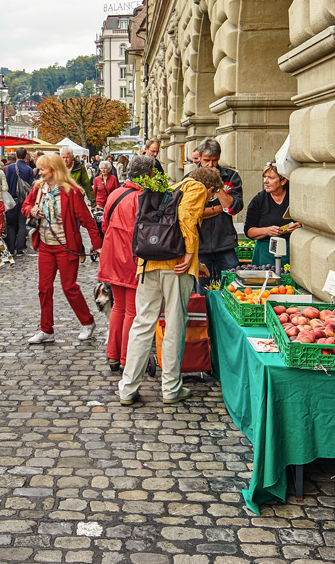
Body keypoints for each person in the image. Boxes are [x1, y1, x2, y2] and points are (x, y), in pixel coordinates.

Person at [117, 166, 223, 406]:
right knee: (175, 323)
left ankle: (128, 388)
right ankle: (171, 388)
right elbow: (186, 217)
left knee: (143, 324)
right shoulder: (195, 187)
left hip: (149, 262)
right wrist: (188, 255)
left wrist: (198, 263)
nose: (209, 200)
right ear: (211, 189)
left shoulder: (171, 187)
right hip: (175, 266)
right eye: (212, 197)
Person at [22, 153, 102, 344]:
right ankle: (46, 329)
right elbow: (25, 206)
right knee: (44, 288)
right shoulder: (38, 189)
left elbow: (88, 221)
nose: (39, 172)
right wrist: (33, 211)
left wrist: (98, 246)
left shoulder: (71, 192)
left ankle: (88, 322)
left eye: (43, 169)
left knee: (69, 287)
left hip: (66, 247)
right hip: (46, 245)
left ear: (54, 170)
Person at [99, 156, 154, 372]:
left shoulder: (115, 194)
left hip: (112, 257)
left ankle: (113, 356)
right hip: (132, 259)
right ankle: (126, 358)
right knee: (132, 310)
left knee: (117, 308)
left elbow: (104, 224)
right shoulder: (143, 198)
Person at [194, 139, 244, 292]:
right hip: (200, 245)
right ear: (200, 158)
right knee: (201, 292)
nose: (210, 165)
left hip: (225, 243)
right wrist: (219, 209)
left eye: (214, 160)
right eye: (206, 160)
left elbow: (233, 207)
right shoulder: (190, 179)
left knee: (233, 289)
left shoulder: (231, 176)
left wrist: (217, 184)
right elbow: (194, 213)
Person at [244, 162, 301, 267]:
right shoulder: (258, 200)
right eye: (264, 177)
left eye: (270, 178)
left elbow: (306, 221)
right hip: (264, 253)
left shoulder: (294, 197)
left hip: (292, 252)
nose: (265, 181)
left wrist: (299, 226)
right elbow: (249, 231)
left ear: (283, 181)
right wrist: (267, 231)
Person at [4, 147, 34, 256]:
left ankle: (11, 249)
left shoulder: (10, 168)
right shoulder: (28, 169)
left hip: (11, 200)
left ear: (16, 156)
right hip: (24, 200)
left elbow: (6, 184)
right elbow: (31, 185)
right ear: (26, 155)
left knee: (11, 225)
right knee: (22, 224)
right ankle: (20, 248)